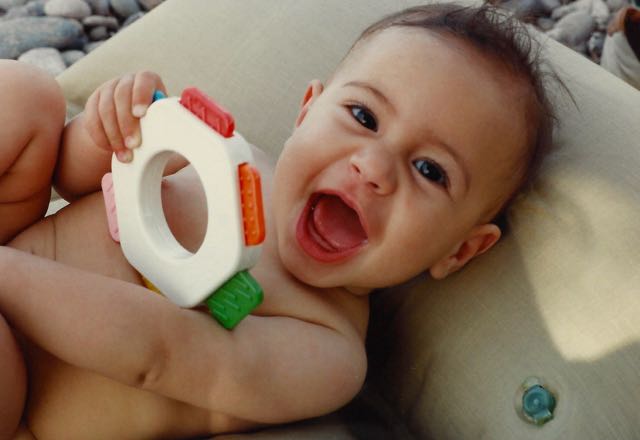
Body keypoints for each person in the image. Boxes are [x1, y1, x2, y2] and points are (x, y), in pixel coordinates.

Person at [0, 3, 559, 438]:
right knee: (24, 94)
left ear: (458, 251)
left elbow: (157, 353)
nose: (372, 168)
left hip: (21, 390)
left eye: (430, 170)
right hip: (14, 239)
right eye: (363, 116)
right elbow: (73, 183)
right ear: (307, 110)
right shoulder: (229, 160)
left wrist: (10, 275)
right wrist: (109, 131)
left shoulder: (327, 352)